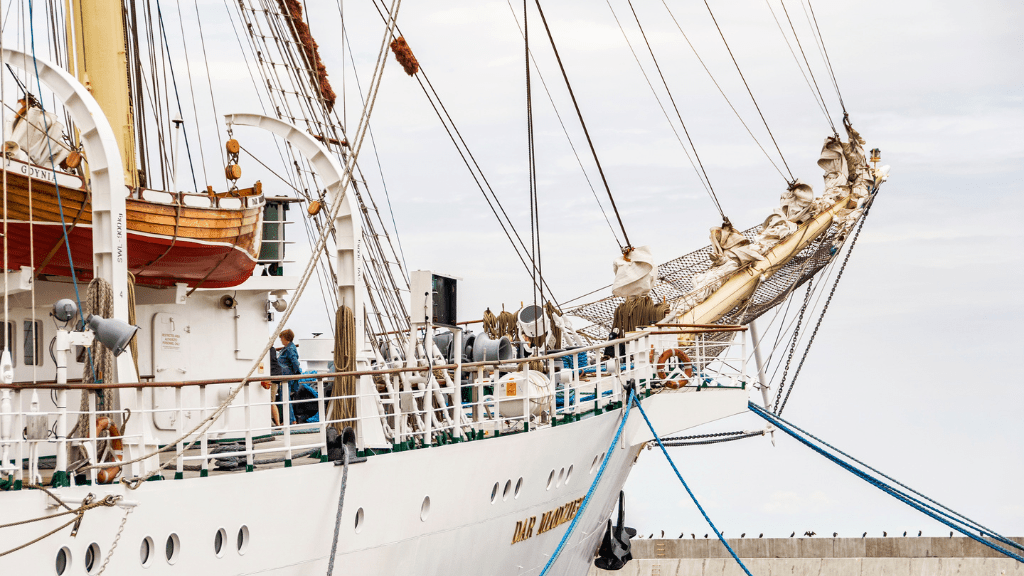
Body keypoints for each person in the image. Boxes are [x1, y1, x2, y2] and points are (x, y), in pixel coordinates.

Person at [277, 329, 301, 424]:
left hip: (287, 377)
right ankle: (289, 419)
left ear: (285, 337)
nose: (280, 340)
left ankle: (291, 420)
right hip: (285, 376)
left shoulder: (290, 349)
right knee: (284, 397)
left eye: (281, 338)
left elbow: (294, 361)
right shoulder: (287, 348)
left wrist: (297, 374)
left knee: (285, 398)